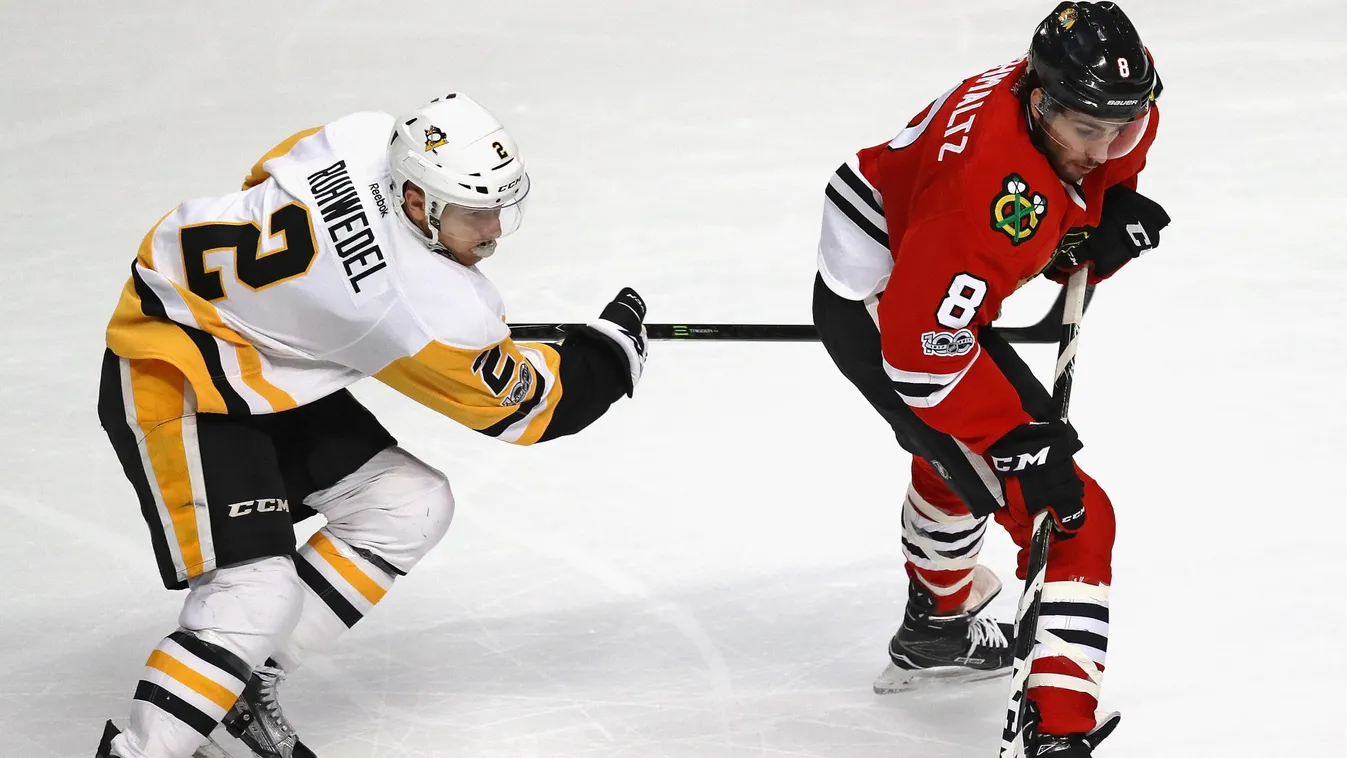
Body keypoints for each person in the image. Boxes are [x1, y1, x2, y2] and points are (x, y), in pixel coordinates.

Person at [94, 93, 649, 758]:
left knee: (407, 505)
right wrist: (609, 357)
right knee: (253, 591)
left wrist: (312, 310)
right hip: (172, 370)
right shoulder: (418, 307)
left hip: (248, 354)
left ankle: (235, 698)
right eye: (475, 211)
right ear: (416, 201)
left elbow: (261, 182)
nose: (495, 229)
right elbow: (527, 410)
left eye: (500, 205)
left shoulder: (356, 140)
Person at [811, 2, 1170, 755]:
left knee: (952, 459)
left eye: (1122, 129)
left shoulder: (1087, 110)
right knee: (1071, 515)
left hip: (923, 256)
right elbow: (917, 354)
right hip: (883, 293)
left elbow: (1074, 210)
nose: (1104, 148)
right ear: (1040, 103)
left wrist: (1100, 225)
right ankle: (1056, 732)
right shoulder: (985, 197)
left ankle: (938, 630)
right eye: (1086, 132)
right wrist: (1012, 440)